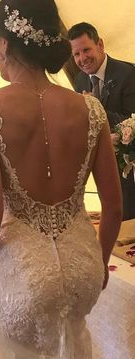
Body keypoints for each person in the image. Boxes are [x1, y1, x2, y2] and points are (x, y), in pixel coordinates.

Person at [0, 1, 122, 358]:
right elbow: (114, 205)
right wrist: (101, 259)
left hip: (25, 276)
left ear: (3, 42)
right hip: (83, 268)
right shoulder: (91, 109)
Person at [68, 22, 135, 220]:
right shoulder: (80, 80)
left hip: (129, 170)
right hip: (102, 168)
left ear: (100, 44)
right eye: (76, 54)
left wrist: (97, 108)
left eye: (86, 50)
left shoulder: (129, 74)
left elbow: (132, 121)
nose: (82, 59)